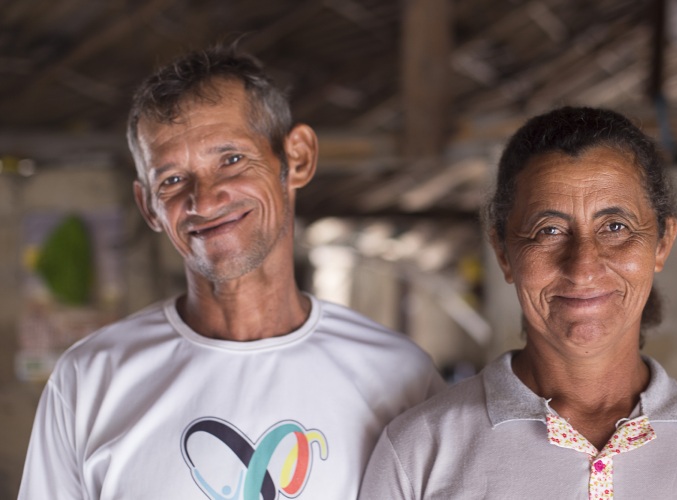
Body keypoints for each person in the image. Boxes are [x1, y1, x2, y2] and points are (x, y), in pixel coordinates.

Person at [18, 44, 445, 499]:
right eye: (173, 180)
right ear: (150, 208)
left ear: (296, 158)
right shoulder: (90, 380)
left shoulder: (400, 376)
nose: (204, 200)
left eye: (231, 159)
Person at [358, 107, 677, 499]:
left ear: (662, 243)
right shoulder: (420, 453)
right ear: (504, 253)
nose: (583, 267)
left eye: (616, 226)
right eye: (548, 230)